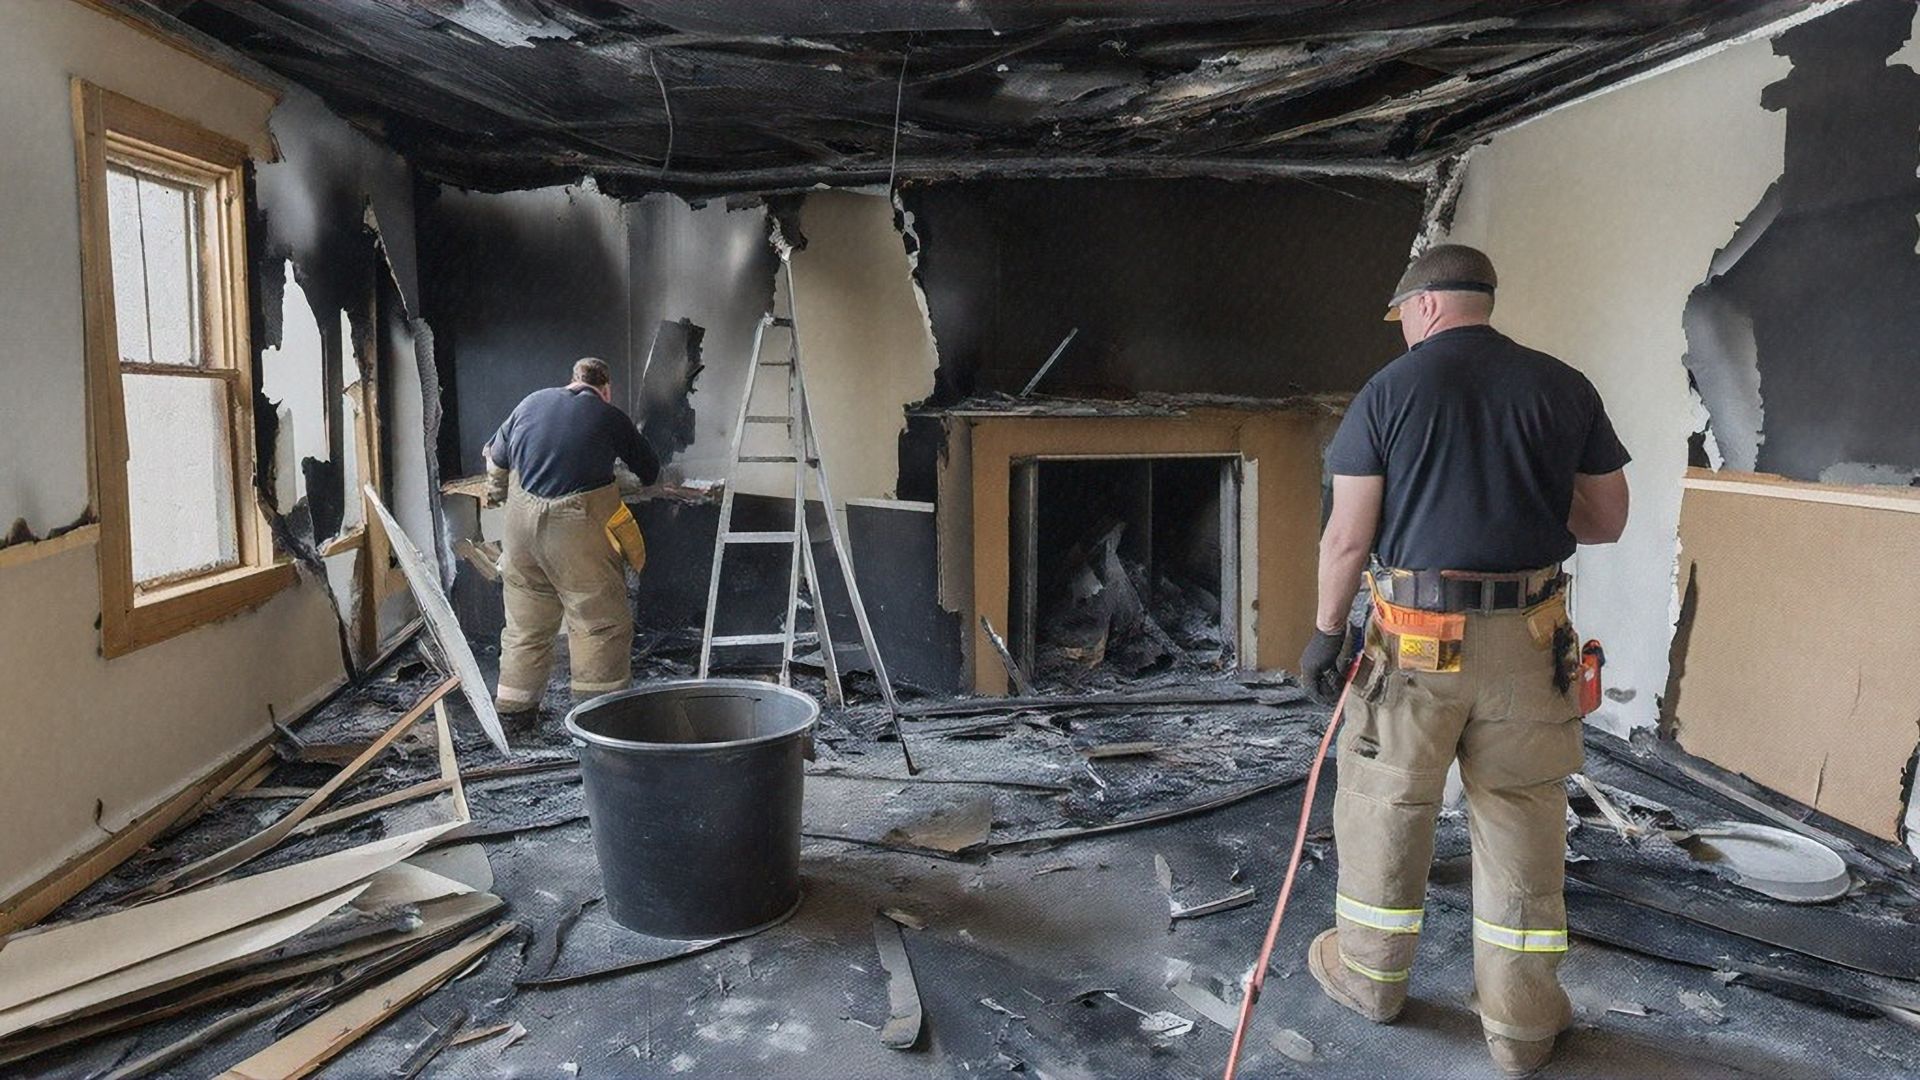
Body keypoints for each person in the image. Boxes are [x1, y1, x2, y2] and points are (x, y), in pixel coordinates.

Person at [1297, 244, 1631, 1077]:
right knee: (1523, 813)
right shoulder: (1564, 385)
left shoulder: (1389, 391)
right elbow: (1605, 521)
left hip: (1414, 644)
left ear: (1424, 308)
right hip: (1530, 642)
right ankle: (1520, 1028)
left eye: (1405, 318)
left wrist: (1325, 631)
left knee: (1386, 804)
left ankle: (1372, 981)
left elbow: (1348, 533)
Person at [483, 357, 661, 716]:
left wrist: (499, 492)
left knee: (524, 628)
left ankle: (514, 713)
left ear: (572, 381)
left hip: (519, 535)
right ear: (606, 390)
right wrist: (620, 481)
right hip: (575, 533)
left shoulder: (530, 402)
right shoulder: (609, 415)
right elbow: (650, 471)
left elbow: (496, 460)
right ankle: (598, 717)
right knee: (598, 624)